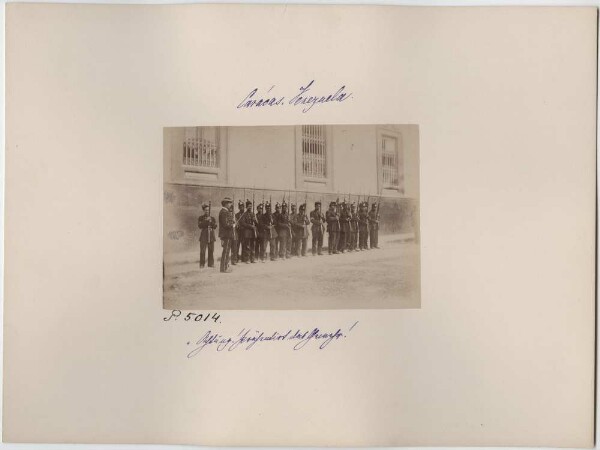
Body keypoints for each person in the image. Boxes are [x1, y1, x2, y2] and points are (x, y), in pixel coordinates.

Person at [218, 197, 235, 273]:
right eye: (229, 203)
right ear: (225, 204)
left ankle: (226, 266)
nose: (230, 204)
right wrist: (232, 225)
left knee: (227, 251)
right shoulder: (223, 212)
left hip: (228, 234)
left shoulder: (225, 212)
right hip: (226, 235)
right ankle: (224, 268)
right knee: (226, 251)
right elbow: (225, 225)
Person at [198, 203, 217, 268]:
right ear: (203, 211)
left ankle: (211, 264)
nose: (207, 211)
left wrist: (211, 221)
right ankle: (202, 264)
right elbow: (200, 226)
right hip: (204, 236)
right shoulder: (201, 218)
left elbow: (215, 226)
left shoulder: (213, 218)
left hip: (211, 236)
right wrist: (206, 220)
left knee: (211, 250)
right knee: (203, 251)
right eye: (206, 210)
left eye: (208, 210)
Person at [232, 200, 245, 265]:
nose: (241, 207)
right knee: (237, 245)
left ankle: (243, 258)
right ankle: (236, 258)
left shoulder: (245, 214)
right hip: (238, 232)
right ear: (239, 207)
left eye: (242, 206)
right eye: (240, 206)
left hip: (244, 232)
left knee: (244, 245)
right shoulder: (236, 215)